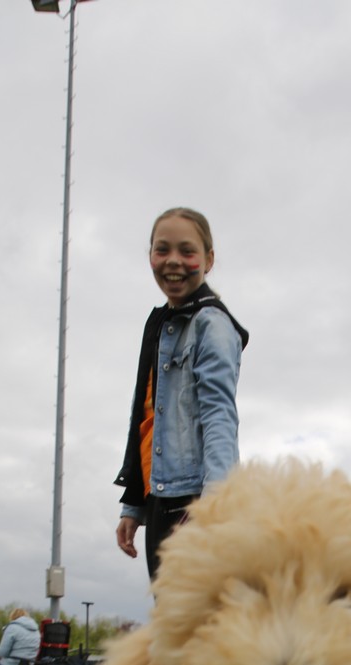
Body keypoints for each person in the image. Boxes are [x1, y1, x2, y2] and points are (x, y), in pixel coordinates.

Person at [114, 207, 248, 579]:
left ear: (208, 260)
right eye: (163, 249)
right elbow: (147, 418)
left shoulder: (212, 325)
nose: (173, 260)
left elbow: (219, 414)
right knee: (170, 611)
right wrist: (134, 505)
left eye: (187, 251)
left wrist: (214, 505)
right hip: (160, 497)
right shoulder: (161, 325)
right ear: (151, 256)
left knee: (194, 613)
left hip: (193, 500)